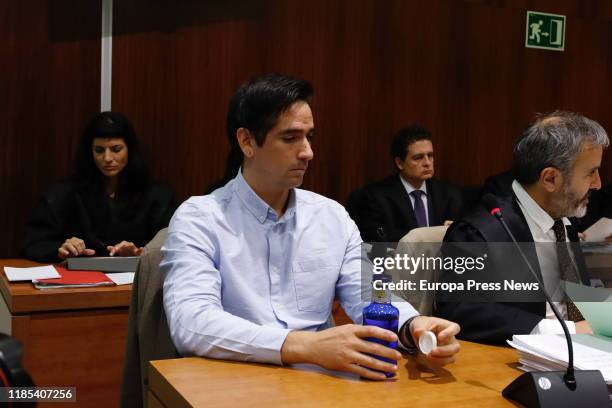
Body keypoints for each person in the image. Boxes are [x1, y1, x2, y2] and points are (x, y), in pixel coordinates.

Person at [161, 74, 460, 380]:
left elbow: (368, 293)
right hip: (234, 380)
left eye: (310, 137)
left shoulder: (331, 216)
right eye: (290, 138)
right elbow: (191, 322)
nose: (307, 152)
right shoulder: (200, 217)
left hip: (321, 382)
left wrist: (412, 325)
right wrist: (303, 345)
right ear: (247, 141)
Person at [436, 111, 607, 344]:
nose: (598, 184)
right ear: (550, 179)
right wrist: (563, 331)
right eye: (591, 172)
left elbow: (574, 302)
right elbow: (460, 312)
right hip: (524, 364)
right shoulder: (480, 231)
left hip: (589, 352)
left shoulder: (564, 217)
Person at [22, 111, 175, 263]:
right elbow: (35, 242)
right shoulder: (63, 194)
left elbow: (171, 245)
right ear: (90, 152)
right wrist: (61, 249)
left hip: (133, 282)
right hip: (78, 282)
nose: (107, 158)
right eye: (99, 150)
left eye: (116, 149)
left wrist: (141, 251)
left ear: (130, 150)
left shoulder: (157, 196)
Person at [355, 125, 463, 242]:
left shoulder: (449, 194)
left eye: (430, 156)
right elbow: (378, 239)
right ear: (399, 163)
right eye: (418, 158)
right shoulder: (376, 197)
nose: (427, 162)